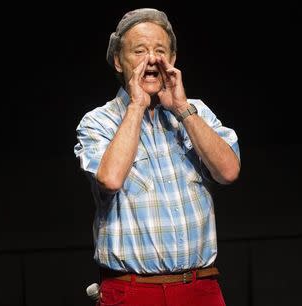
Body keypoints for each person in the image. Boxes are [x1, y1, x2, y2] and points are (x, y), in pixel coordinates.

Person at [74, 8, 241, 306]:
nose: (152, 59)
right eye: (139, 51)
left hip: (199, 287)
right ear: (117, 61)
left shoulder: (196, 112)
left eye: (160, 50)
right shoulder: (98, 121)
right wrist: (137, 105)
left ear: (172, 61)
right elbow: (110, 179)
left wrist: (182, 110)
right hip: (132, 290)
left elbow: (228, 171)